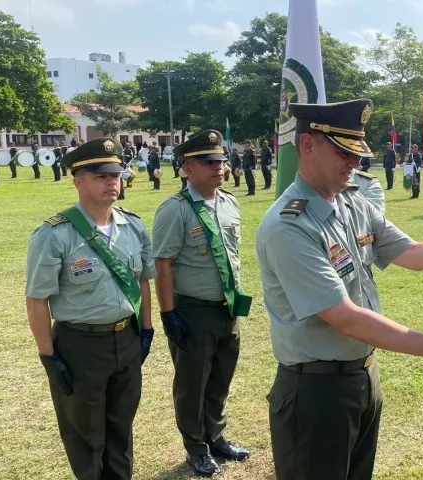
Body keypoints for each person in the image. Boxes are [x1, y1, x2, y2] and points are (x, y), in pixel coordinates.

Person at [257, 99, 423, 480]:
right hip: (316, 390)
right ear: (307, 146)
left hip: (363, 377)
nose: (354, 162)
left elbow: (411, 253)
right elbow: (345, 318)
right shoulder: (289, 226)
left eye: (357, 152)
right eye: (342, 151)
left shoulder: (354, 202)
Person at [25, 138, 156, 480]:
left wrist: (147, 329)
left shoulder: (134, 227)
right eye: (100, 175)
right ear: (77, 180)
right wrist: (48, 357)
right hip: (80, 345)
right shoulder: (55, 234)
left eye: (115, 174)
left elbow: (142, 282)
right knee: (85, 433)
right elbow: (37, 300)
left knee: (121, 426)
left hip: (125, 339)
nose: (112, 181)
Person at [153, 129, 252, 477]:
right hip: (192, 311)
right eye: (209, 162)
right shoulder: (174, 210)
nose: (219, 168)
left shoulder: (229, 202)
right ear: (186, 168)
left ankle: (216, 436)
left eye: (222, 161)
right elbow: (162, 265)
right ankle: (196, 447)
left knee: (220, 378)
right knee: (192, 384)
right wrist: (169, 315)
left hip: (228, 308)